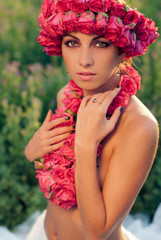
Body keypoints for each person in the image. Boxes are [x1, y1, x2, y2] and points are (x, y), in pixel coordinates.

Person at [25, 0, 159, 239]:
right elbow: (58, 183)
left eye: (100, 43)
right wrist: (33, 152)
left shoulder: (139, 127)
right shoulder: (66, 96)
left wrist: (86, 146)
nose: (84, 60)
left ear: (121, 49)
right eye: (72, 43)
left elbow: (97, 233)